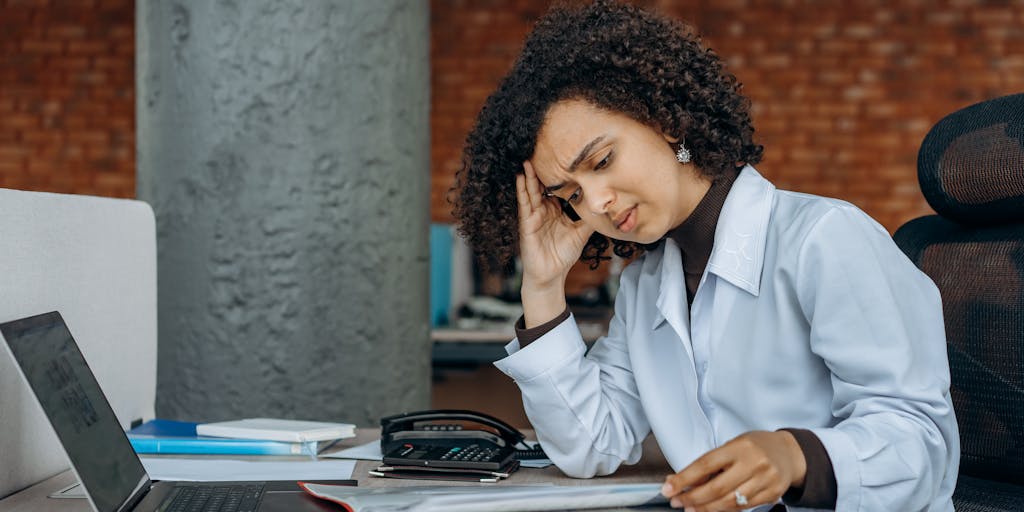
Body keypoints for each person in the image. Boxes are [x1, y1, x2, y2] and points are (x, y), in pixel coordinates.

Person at [451, 1, 959, 511]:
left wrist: (795, 455)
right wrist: (541, 286)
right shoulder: (645, 286)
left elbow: (921, 443)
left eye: (603, 161)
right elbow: (590, 444)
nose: (597, 202)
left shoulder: (824, 240)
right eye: (572, 195)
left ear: (666, 120)